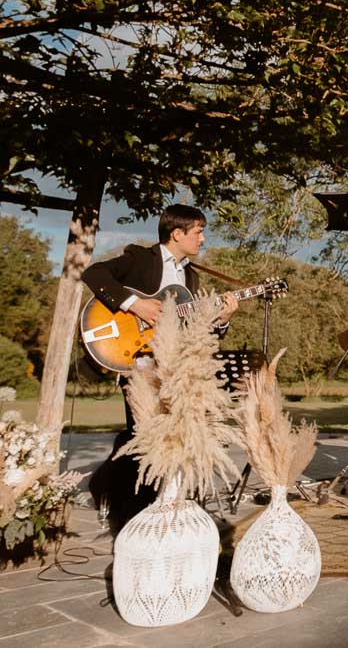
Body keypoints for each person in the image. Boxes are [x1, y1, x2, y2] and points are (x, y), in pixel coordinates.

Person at [83, 204, 240, 533]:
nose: (203, 238)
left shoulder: (191, 276)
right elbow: (94, 274)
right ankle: (132, 519)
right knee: (142, 437)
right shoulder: (141, 259)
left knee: (167, 438)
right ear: (177, 233)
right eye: (198, 231)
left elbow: (193, 331)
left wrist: (221, 321)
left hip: (171, 368)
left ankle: (148, 499)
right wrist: (135, 303)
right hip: (136, 360)